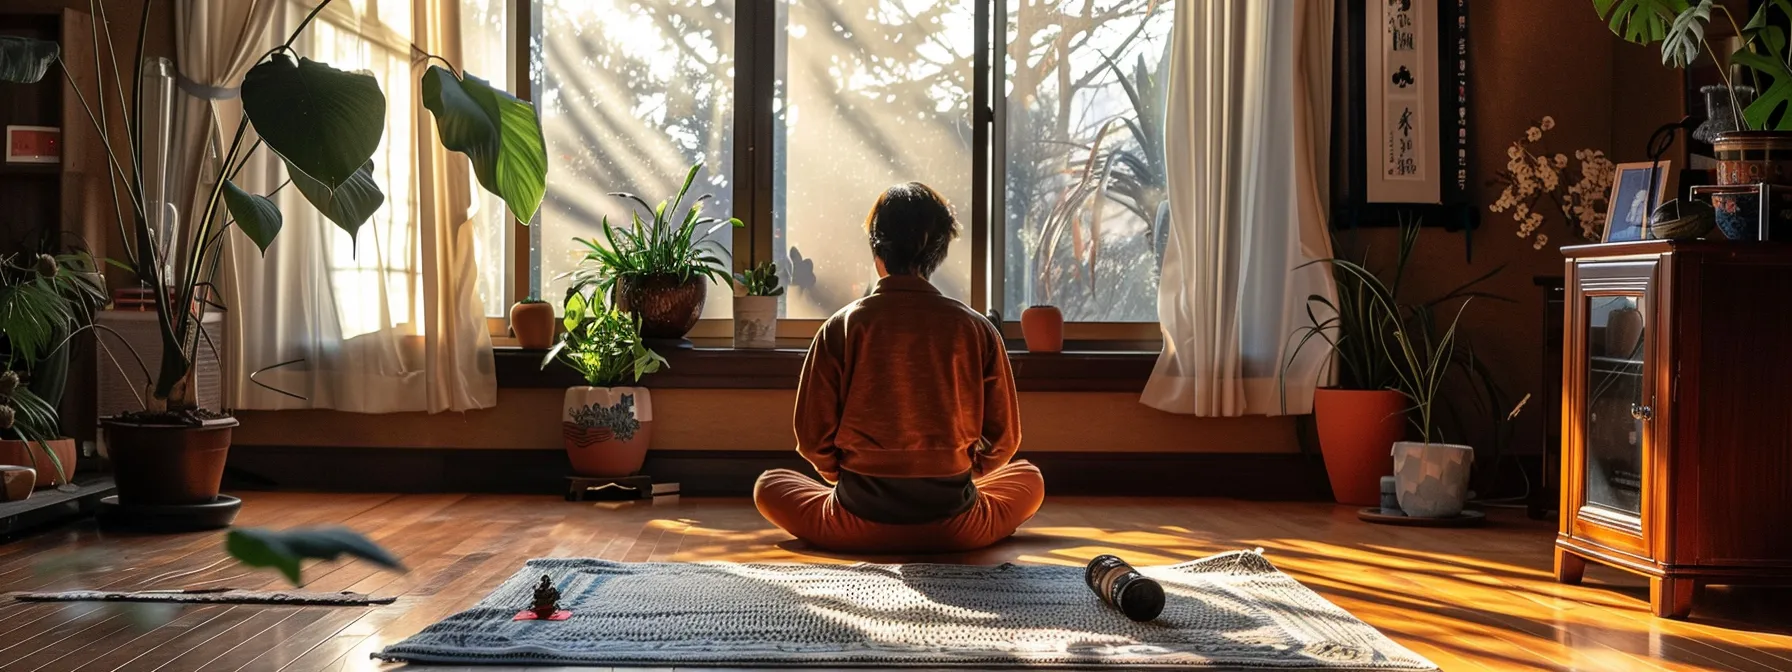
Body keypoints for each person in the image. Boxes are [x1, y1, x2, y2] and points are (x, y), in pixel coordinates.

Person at [753, 182, 1045, 554]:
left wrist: (840, 478)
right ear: (939, 252)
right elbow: (1005, 440)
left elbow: (811, 439)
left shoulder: (841, 326)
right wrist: (966, 475)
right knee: (1030, 478)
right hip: (956, 526)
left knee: (769, 484)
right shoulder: (976, 328)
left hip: (854, 521)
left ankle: (868, 523)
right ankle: (942, 518)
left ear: (877, 250)